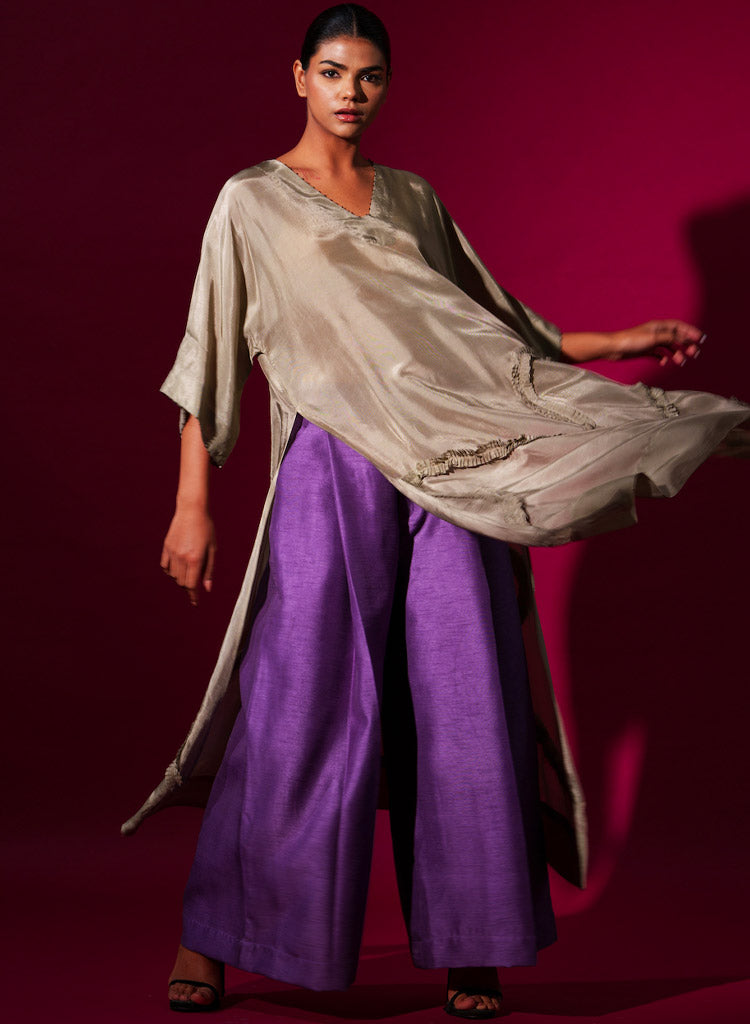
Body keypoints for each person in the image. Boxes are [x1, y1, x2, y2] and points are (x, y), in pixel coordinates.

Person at [123, 5, 748, 1019]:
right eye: (333, 72)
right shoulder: (251, 201)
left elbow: (494, 326)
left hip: (457, 469)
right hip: (333, 466)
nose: (351, 93)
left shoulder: (413, 197)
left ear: (385, 85)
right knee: (300, 698)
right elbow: (209, 354)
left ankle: (474, 942)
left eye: (369, 76)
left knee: (466, 695)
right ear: (298, 76)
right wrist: (192, 504)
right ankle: (219, 935)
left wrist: (616, 341)